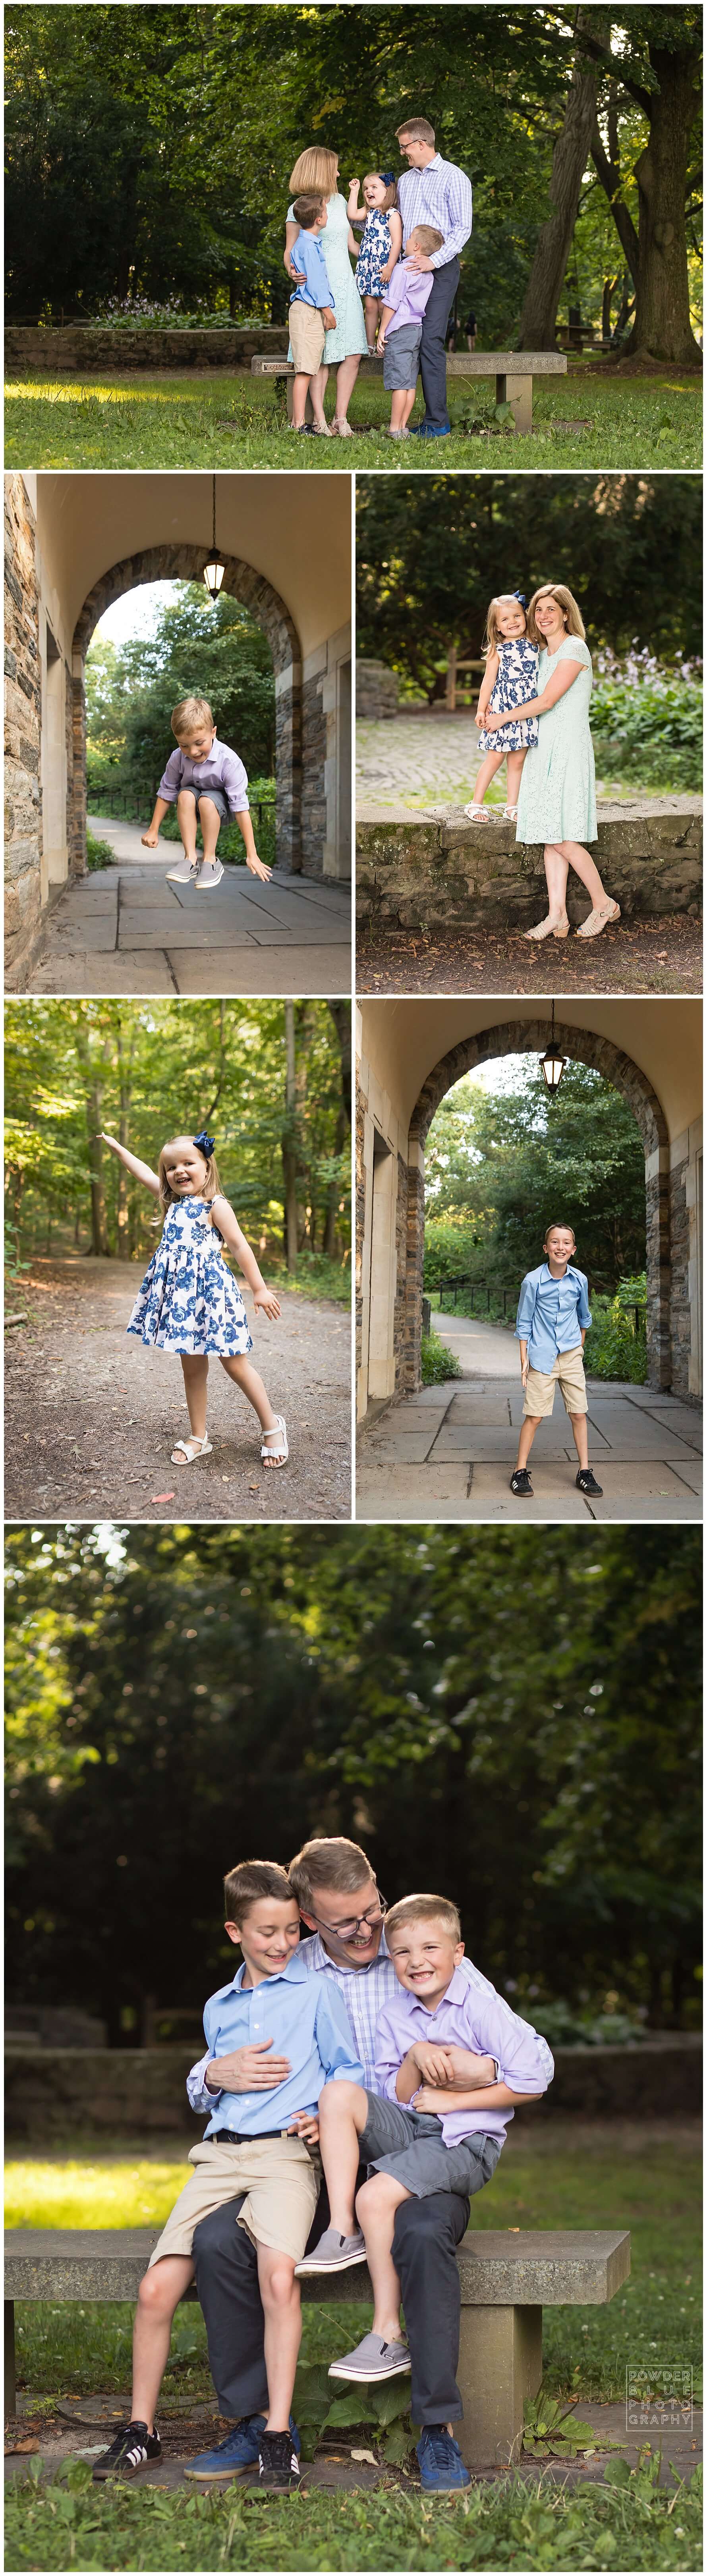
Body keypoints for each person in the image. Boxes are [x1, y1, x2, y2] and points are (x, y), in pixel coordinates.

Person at [184, 1835, 554, 2495]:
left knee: (419, 2233)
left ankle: (436, 2428)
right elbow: (223, 2036)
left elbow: (505, 2042)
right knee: (217, 2239)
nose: (366, 1931)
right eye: (344, 1921)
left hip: (423, 2150)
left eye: (371, 1910)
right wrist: (212, 2072)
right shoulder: (284, 1966)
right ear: (307, 1917)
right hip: (312, 2167)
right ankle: (260, 2422)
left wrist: (484, 2069)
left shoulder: (417, 1949)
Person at [91, 1859, 364, 2493]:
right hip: (217, 2156)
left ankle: (276, 2432)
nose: (281, 1944)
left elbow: (350, 2069)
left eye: (292, 1931)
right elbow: (205, 2088)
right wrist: (213, 2073)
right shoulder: (219, 2006)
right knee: (156, 2290)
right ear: (234, 1932)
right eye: (266, 1932)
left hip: (284, 2158)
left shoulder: (317, 1993)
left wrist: (326, 2113)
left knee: (277, 2279)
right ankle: (141, 2428)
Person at [297, 1892, 549, 2395]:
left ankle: (386, 2332)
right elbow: (400, 2093)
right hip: (417, 2128)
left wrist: (459, 2099)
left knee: (375, 2195)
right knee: (339, 2094)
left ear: (458, 1953)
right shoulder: (396, 2013)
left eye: (431, 1948)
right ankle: (341, 2231)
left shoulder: (479, 2006)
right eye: (404, 1952)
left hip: (465, 2141)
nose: (417, 1962)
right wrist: (417, 2051)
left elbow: (536, 2077)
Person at [99, 1126, 289, 1469]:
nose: (179, 1171)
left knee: (235, 1365)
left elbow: (240, 1246)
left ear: (207, 1168)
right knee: (192, 1370)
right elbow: (141, 1170)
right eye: (171, 1168)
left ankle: (272, 1426)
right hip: (183, 1303)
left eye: (188, 1163)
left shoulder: (216, 1206)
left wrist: (259, 1288)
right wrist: (117, 1148)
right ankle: (199, 1437)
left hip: (213, 1297)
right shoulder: (171, 1202)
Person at [482, 585, 621, 941]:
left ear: (565, 613)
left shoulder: (575, 648)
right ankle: (557, 916)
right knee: (548, 834)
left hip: (568, 749)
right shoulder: (541, 653)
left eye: (551, 610)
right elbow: (503, 677)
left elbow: (546, 702)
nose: (543, 616)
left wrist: (502, 718)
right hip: (541, 748)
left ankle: (603, 902)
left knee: (563, 838)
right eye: (538, 610)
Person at [510, 1223, 603, 1500]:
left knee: (578, 1413)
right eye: (554, 1242)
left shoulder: (580, 1280)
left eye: (566, 1243)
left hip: (572, 1355)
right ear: (546, 1248)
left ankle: (584, 1472)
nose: (560, 1247)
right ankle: (519, 1472)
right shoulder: (533, 1281)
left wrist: (579, 1347)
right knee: (535, 1416)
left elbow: (584, 1316)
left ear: (573, 1250)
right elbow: (524, 1323)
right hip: (541, 1357)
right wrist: (524, 1360)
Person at [141, 696, 271, 893]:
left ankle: (210, 861)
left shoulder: (229, 761)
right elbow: (167, 791)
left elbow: (241, 808)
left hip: (222, 810)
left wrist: (252, 854)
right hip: (193, 805)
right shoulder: (178, 758)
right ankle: (190, 860)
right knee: (185, 795)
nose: (192, 752)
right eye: (183, 745)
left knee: (207, 801)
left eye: (199, 743)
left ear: (213, 732)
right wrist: (153, 829)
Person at [395, 117, 473, 438]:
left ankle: (437, 422)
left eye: (404, 147)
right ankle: (400, 419)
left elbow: (462, 229)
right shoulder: (404, 181)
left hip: (441, 272)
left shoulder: (455, 178)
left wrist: (434, 260)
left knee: (430, 339)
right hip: (408, 273)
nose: (402, 153)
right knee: (407, 338)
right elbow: (393, 223)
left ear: (421, 144)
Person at [284, 147, 368, 434]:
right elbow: (290, 251)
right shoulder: (302, 208)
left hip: (346, 283)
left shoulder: (342, 200)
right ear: (322, 171)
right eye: (334, 168)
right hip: (317, 288)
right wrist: (292, 271)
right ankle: (319, 421)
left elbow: (351, 245)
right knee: (321, 355)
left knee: (353, 353)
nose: (338, 173)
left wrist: (379, 263)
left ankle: (340, 418)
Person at [464, 593, 539, 819]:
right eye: (505, 620)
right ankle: (476, 803)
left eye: (517, 616)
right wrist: (480, 709)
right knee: (495, 758)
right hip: (503, 710)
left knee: (517, 761)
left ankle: (512, 806)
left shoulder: (537, 643)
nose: (513, 622)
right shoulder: (498, 650)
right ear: (496, 627)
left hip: (526, 711)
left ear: (525, 617)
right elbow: (488, 681)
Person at [377, 226, 444, 438]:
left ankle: (394, 428)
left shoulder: (402, 269)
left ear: (416, 247)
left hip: (399, 329)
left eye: (409, 239)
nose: (405, 241)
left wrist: (382, 331)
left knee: (399, 383)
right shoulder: (428, 274)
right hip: (416, 330)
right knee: (409, 383)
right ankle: (403, 426)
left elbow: (392, 303)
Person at [287, 192, 337, 435]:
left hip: (307, 310)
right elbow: (316, 286)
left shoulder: (306, 243)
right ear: (319, 219)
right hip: (309, 311)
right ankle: (298, 424)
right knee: (305, 371)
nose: (328, 215)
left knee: (307, 369)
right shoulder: (308, 247)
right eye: (326, 212)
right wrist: (328, 314)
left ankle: (299, 423)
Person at [347, 171, 402, 351]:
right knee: (370, 307)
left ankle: (385, 343)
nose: (368, 191)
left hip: (384, 267)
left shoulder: (392, 215)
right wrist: (354, 191)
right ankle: (369, 345)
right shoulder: (369, 212)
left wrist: (390, 268)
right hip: (368, 268)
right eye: (366, 188)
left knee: (383, 307)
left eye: (374, 187)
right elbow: (352, 214)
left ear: (387, 191)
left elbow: (397, 244)